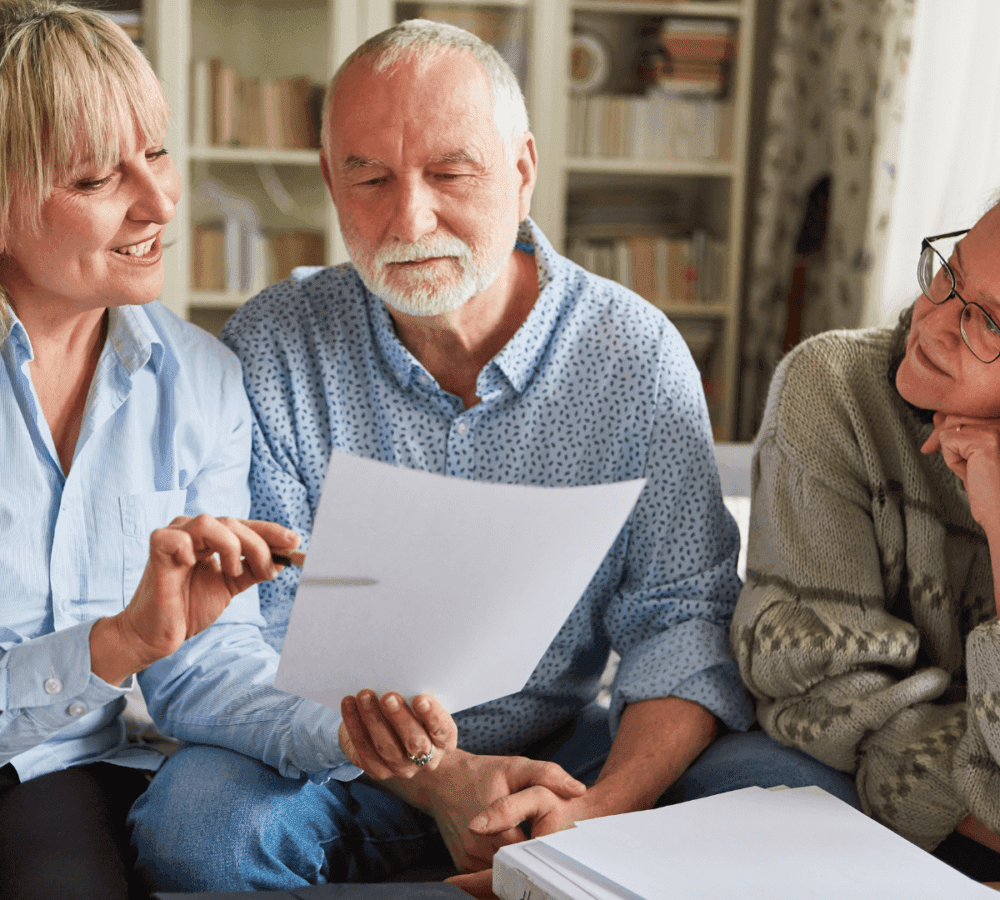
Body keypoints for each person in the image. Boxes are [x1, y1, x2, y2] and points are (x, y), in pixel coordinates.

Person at [129, 19, 860, 897]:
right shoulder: (276, 347)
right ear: (330, 178)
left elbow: (680, 615)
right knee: (198, 828)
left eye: (450, 174)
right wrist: (444, 783)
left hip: (563, 742)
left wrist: (604, 809)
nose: (411, 218)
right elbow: (257, 639)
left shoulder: (631, 353)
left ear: (523, 170)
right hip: (342, 760)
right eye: (369, 177)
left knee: (803, 796)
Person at [0, 3, 387, 897]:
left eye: (159, 152)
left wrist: (345, 733)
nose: (162, 201)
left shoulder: (204, 381)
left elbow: (209, 668)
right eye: (99, 177)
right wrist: (112, 644)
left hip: (66, 776)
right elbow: (129, 651)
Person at [731, 202, 1000, 881]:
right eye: (949, 276)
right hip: (926, 814)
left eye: (990, 322)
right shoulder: (835, 390)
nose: (934, 324)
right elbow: (827, 699)